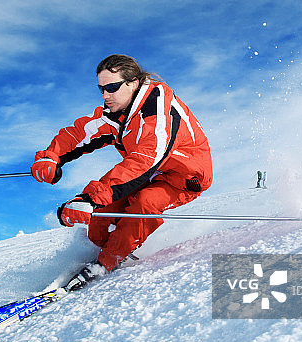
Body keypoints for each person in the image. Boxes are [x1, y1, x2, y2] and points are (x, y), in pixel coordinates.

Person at [31, 54, 213, 288]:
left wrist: (90, 199)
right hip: (146, 173)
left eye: (112, 88)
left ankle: (108, 261)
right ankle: (108, 251)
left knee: (144, 203)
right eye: (102, 89)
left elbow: (146, 158)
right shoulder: (117, 112)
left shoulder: (157, 107)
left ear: (133, 83)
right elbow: (80, 133)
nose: (106, 96)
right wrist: (50, 156)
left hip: (183, 176)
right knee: (100, 218)